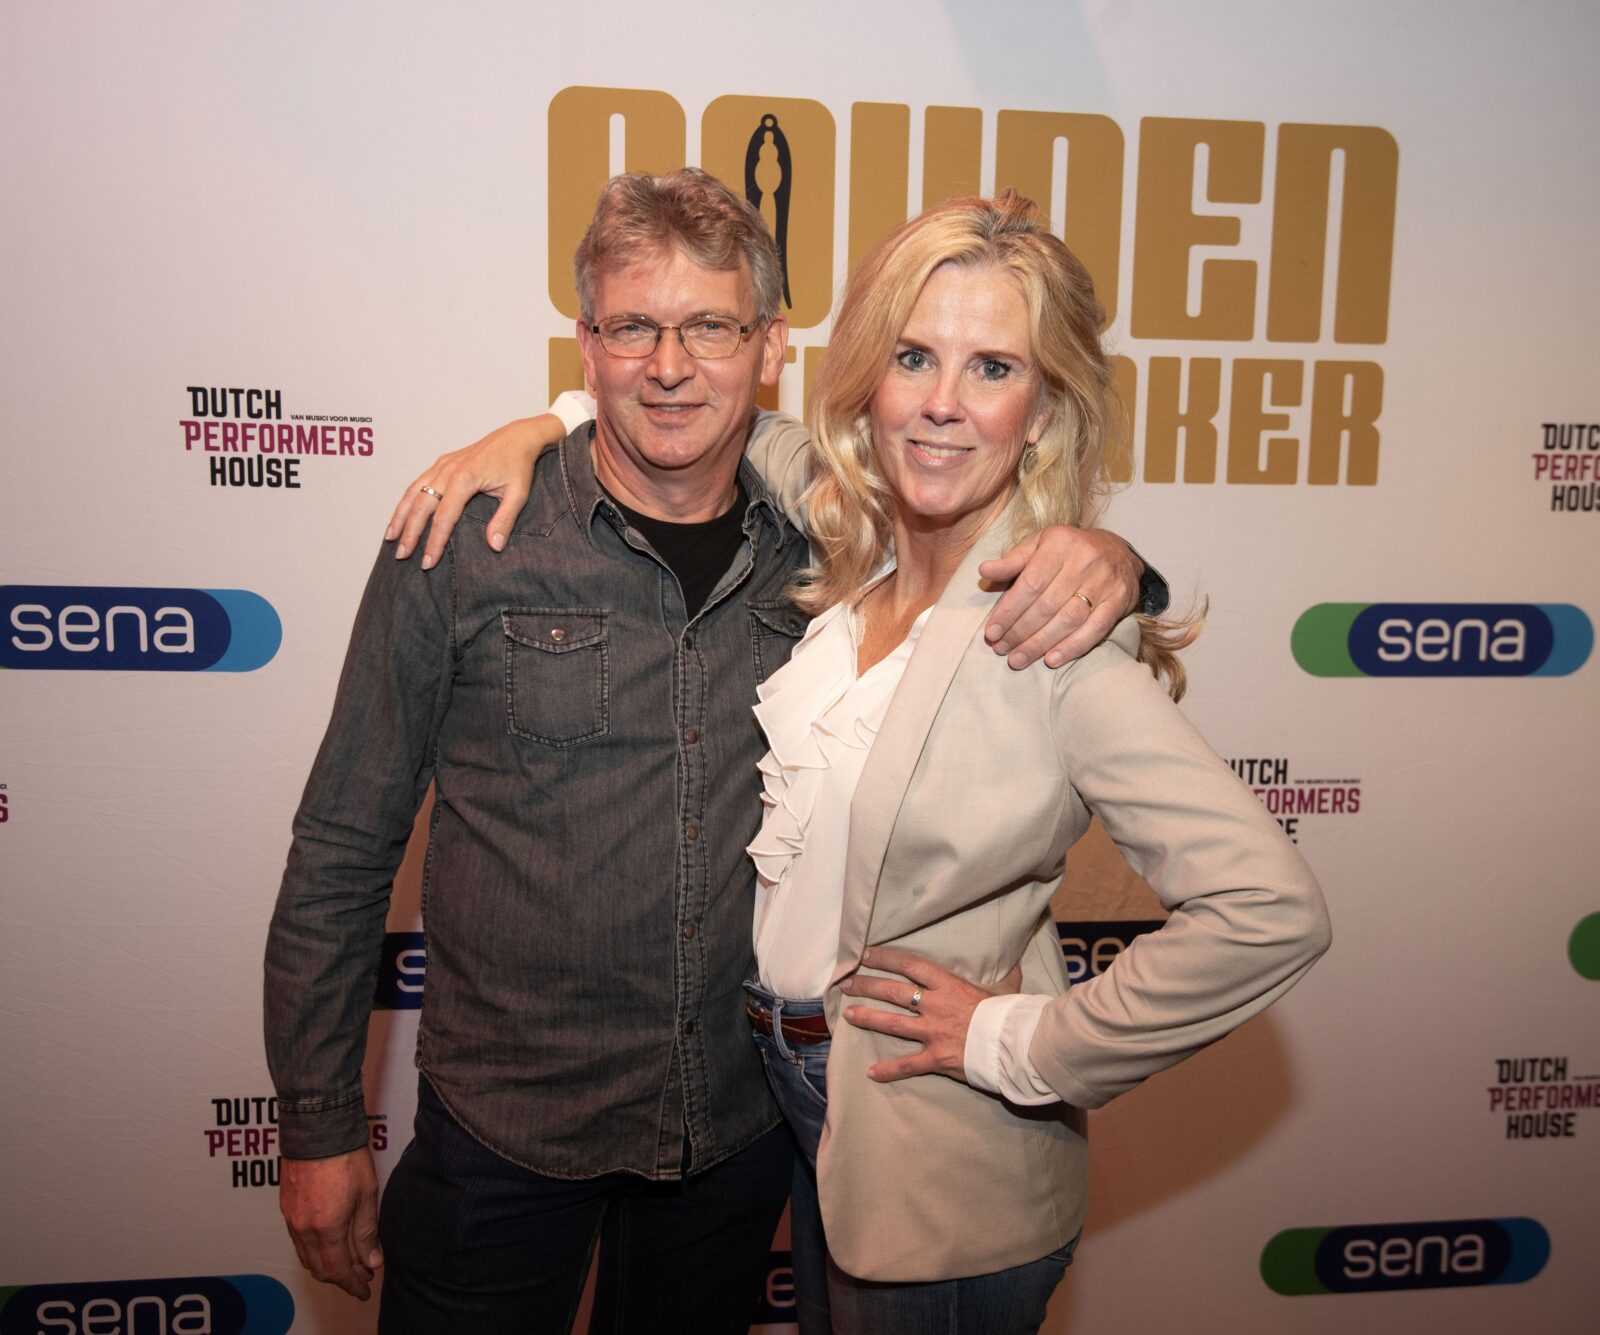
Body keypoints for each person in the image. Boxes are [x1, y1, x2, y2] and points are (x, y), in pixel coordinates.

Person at [264, 169, 1154, 1335]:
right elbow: (343, 842)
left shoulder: (843, 541)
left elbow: (1002, 525)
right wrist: (318, 1126)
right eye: (632, 327)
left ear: (771, 346)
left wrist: (1114, 560)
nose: (670, 367)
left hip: (732, 1139)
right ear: (585, 343)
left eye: (711, 329)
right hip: (503, 1136)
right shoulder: (469, 541)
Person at [739, 192, 1331, 1333]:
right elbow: (732, 430)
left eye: (994, 368)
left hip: (941, 1162)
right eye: (914, 357)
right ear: (869, 377)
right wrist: (556, 421)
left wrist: (1017, 1040)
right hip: (809, 1111)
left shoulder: (1052, 633)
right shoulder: (863, 538)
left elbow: (1270, 910)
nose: (942, 404)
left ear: (1044, 408)